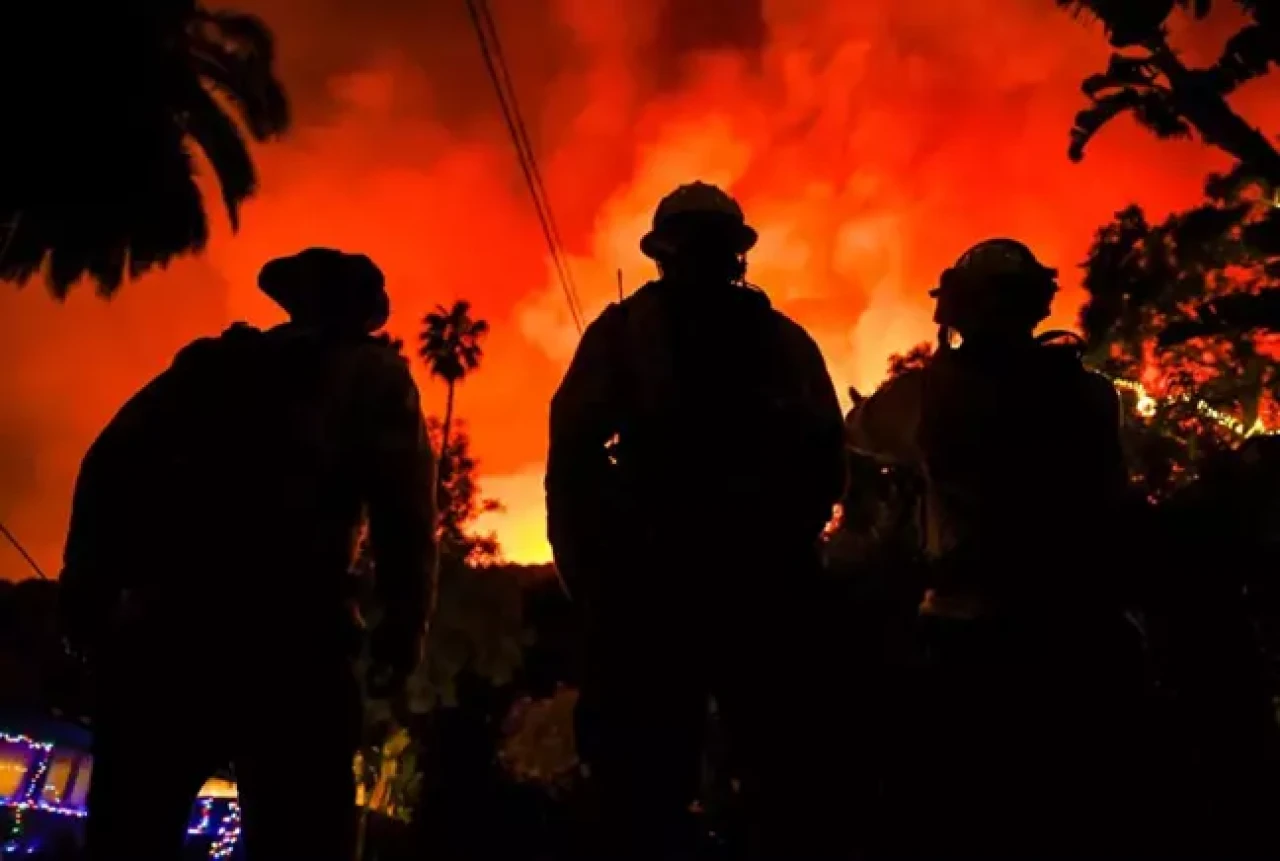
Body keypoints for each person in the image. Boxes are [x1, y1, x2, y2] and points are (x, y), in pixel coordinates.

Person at [60, 248, 436, 861]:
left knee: (130, 833)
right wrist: (402, 631)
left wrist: (85, 592)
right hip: (295, 645)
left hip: (165, 638)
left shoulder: (208, 368)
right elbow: (406, 514)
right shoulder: (375, 377)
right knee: (304, 838)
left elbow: (107, 464)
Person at [546, 182, 847, 859]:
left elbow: (572, 461)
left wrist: (590, 573)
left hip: (663, 594)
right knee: (775, 784)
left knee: (648, 790)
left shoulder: (624, 336)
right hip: (737, 592)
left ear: (661, 254)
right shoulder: (781, 342)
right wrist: (786, 547)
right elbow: (825, 464)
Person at [847, 238, 1142, 858]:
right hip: (1077, 628)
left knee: (966, 806)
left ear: (956, 309)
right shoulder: (1091, 395)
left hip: (967, 630)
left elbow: (859, 431)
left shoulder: (927, 393)